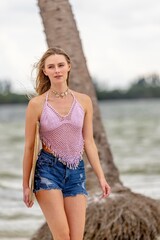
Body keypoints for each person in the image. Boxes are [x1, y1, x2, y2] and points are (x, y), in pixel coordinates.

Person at [23, 47, 111, 240]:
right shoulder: (37, 104)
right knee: (63, 235)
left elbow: (88, 142)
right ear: (45, 71)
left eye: (61, 65)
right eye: (51, 67)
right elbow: (29, 146)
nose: (57, 70)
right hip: (47, 171)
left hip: (76, 172)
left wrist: (101, 177)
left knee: (76, 237)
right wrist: (26, 185)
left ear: (68, 67)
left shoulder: (84, 101)